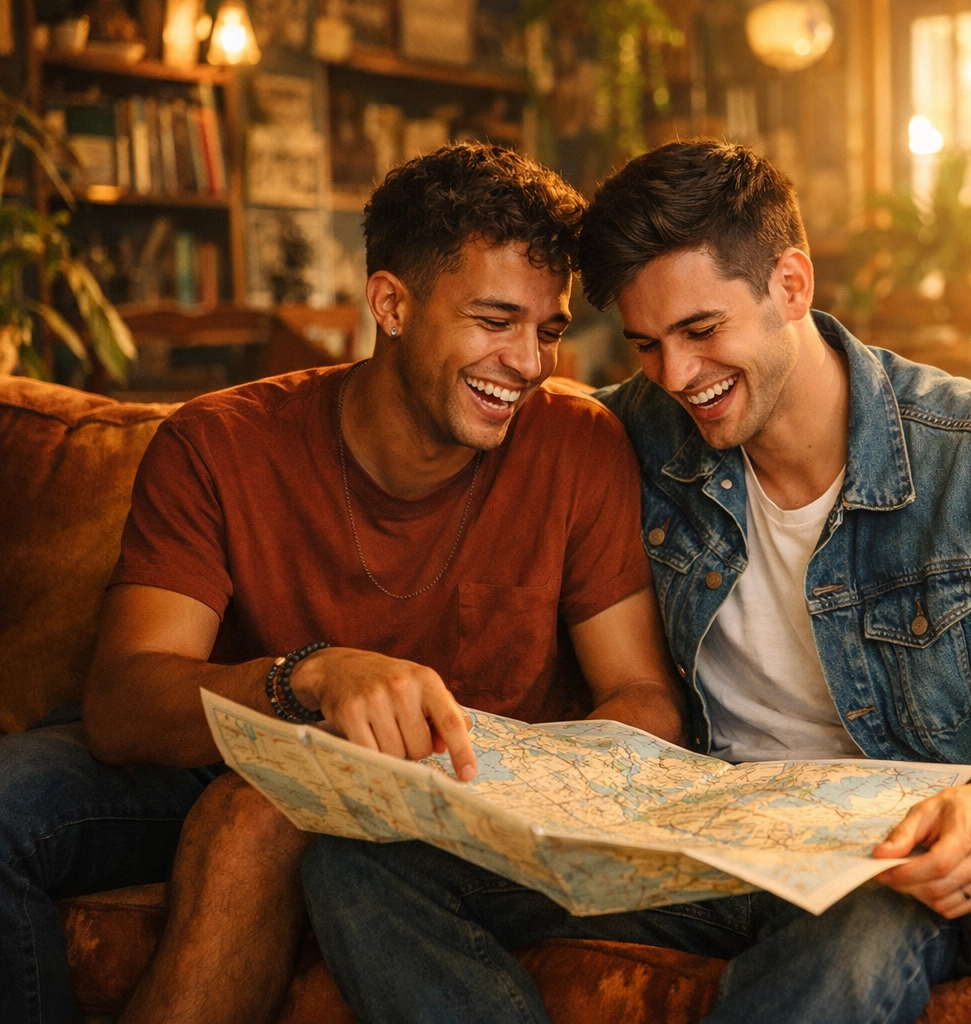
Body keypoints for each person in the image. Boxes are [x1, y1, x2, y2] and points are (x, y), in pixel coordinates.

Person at [302, 141, 971, 1024]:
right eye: (646, 345)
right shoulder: (624, 435)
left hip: (879, 851)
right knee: (357, 862)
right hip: (688, 835)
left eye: (701, 331)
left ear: (791, 285)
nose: (678, 377)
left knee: (858, 948)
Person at [0, 142, 685, 1024]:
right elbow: (125, 700)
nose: (528, 362)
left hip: (472, 792)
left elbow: (643, 699)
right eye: (494, 320)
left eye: (547, 329)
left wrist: (506, 771)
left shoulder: (577, 443)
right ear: (391, 304)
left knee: (257, 820)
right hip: (247, 743)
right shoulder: (220, 444)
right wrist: (307, 678)